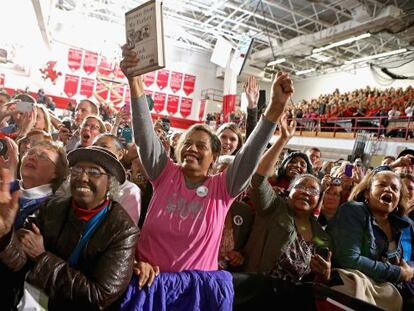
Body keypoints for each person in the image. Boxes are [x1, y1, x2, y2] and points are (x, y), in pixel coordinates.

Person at [120, 46, 293, 283]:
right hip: (146, 284)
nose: (192, 148)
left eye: (201, 146)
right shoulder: (164, 174)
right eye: (187, 144)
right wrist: (135, 83)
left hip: (194, 293)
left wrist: (274, 109)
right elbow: (144, 137)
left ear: (214, 156)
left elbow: (250, 154)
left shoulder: (223, 188)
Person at [0, 146, 138, 310]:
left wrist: (42, 257)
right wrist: (6, 234)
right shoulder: (51, 207)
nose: (83, 177)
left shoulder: (123, 231)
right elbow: (19, 261)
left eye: (94, 172)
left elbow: (98, 296)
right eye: (77, 170)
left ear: (110, 183)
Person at [327, 167, 412, 286]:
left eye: (395, 188)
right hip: (356, 292)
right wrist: (397, 273)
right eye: (381, 185)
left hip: (394, 294)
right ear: (367, 192)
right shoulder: (352, 210)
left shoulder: (405, 224)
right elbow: (349, 259)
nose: (388, 189)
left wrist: (410, 270)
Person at [93, 133, 141, 224]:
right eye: (94, 146)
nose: (97, 149)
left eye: (104, 146)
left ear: (119, 155)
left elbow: (126, 229)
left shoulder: (130, 191)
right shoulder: (81, 180)